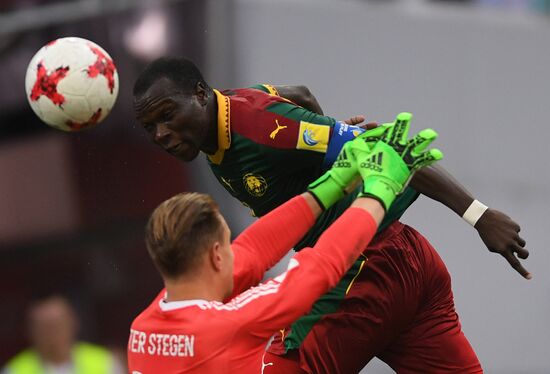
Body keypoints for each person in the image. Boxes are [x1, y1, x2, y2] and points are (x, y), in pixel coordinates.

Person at [132, 57, 529, 373]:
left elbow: (389, 150)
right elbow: (298, 93)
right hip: (408, 258)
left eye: (167, 115)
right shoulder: (226, 116)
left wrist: (479, 215)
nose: (161, 134)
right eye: (149, 127)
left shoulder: (259, 125)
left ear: (201, 94)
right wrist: (327, 146)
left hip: (361, 271)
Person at [127, 119, 441, 373]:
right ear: (215, 256)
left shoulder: (143, 329)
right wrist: (380, 192)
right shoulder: (227, 327)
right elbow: (319, 267)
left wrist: (332, 183)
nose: (236, 248)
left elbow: (253, 251)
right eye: (227, 242)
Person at [2, 295, 123, 374]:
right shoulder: (14, 371)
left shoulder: (105, 362)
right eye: (44, 328)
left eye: (57, 325)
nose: (51, 334)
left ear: (74, 323)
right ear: (30, 331)